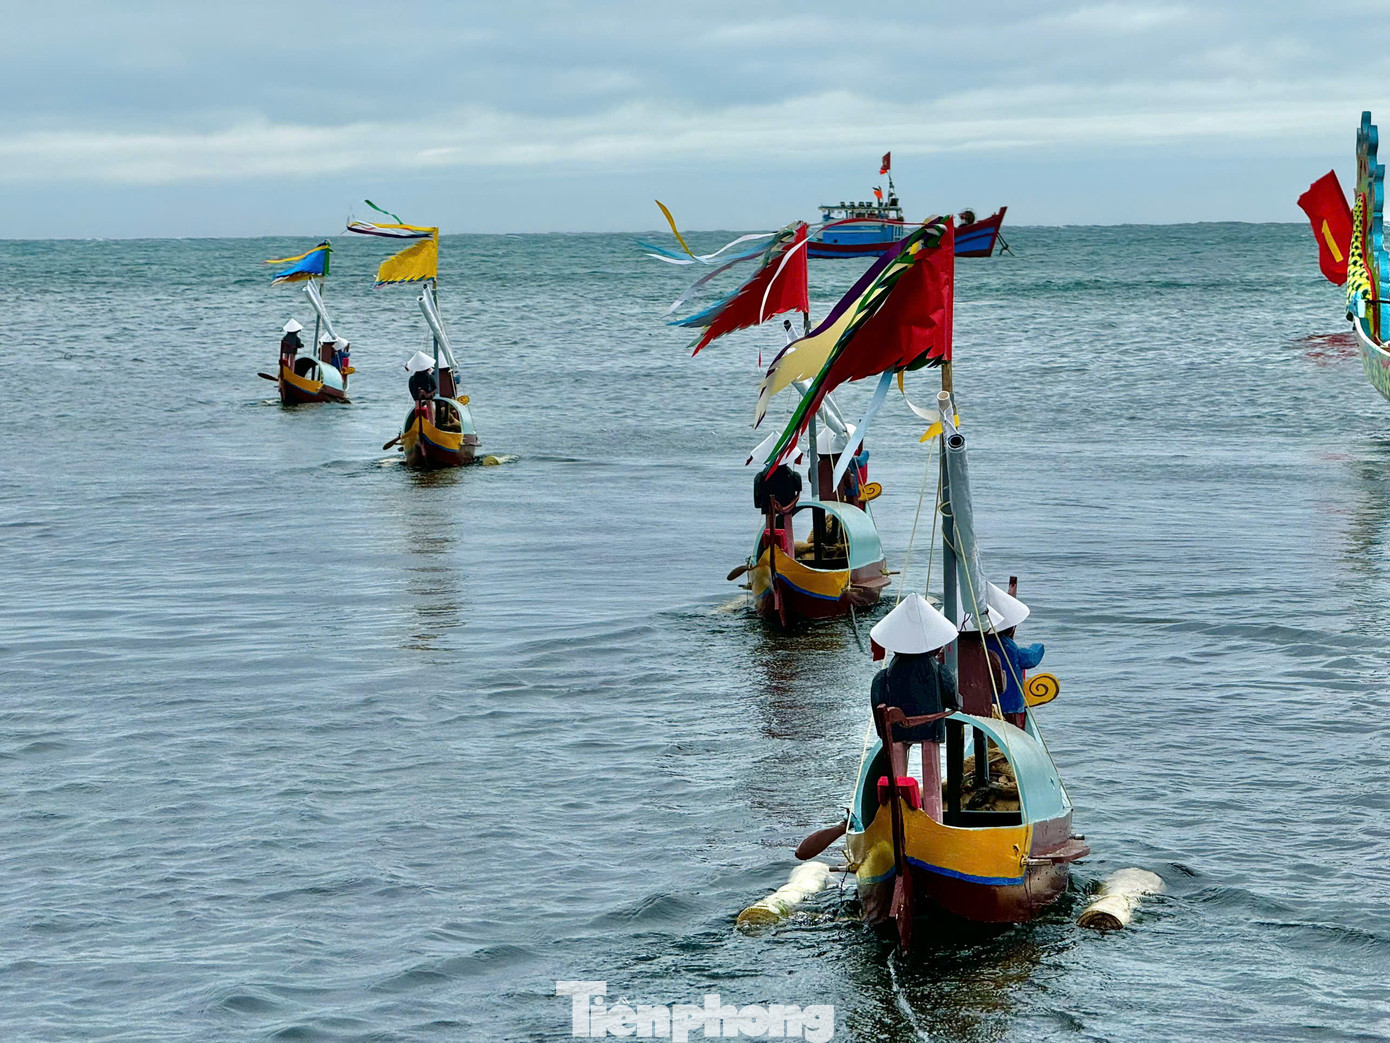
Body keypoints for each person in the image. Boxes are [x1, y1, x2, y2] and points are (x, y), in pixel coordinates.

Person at [868, 593, 960, 822]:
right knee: (932, 780)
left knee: (896, 778)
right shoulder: (938, 670)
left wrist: (883, 731)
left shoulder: (887, 673)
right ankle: (935, 818)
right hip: (930, 729)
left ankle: (896, 818)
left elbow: (876, 698)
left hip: (896, 731)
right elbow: (952, 699)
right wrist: (957, 703)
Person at [982, 583, 1044, 730]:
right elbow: (1029, 658)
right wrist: (1038, 646)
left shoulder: (981, 644)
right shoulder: (1007, 645)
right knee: (1012, 729)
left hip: (984, 701)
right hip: (1009, 702)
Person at [405, 351, 438, 422]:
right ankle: (432, 424)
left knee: (418, 407)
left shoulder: (413, 378)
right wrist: (428, 394)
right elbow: (435, 387)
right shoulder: (429, 377)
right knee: (429, 408)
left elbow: (411, 389)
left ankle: (419, 422)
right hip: (427, 396)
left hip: (418, 397)